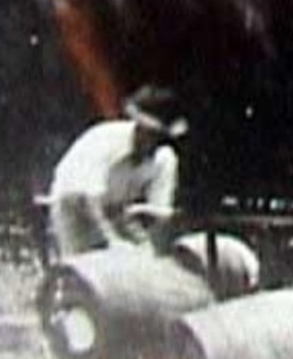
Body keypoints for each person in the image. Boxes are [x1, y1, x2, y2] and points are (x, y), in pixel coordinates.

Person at [48, 85, 188, 257]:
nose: (153, 143)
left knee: (144, 258)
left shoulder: (164, 158)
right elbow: (87, 200)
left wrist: (154, 250)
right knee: (87, 264)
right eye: (149, 134)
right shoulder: (103, 141)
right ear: (138, 127)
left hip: (118, 210)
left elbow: (159, 214)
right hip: (73, 205)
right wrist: (113, 243)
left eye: (160, 137)